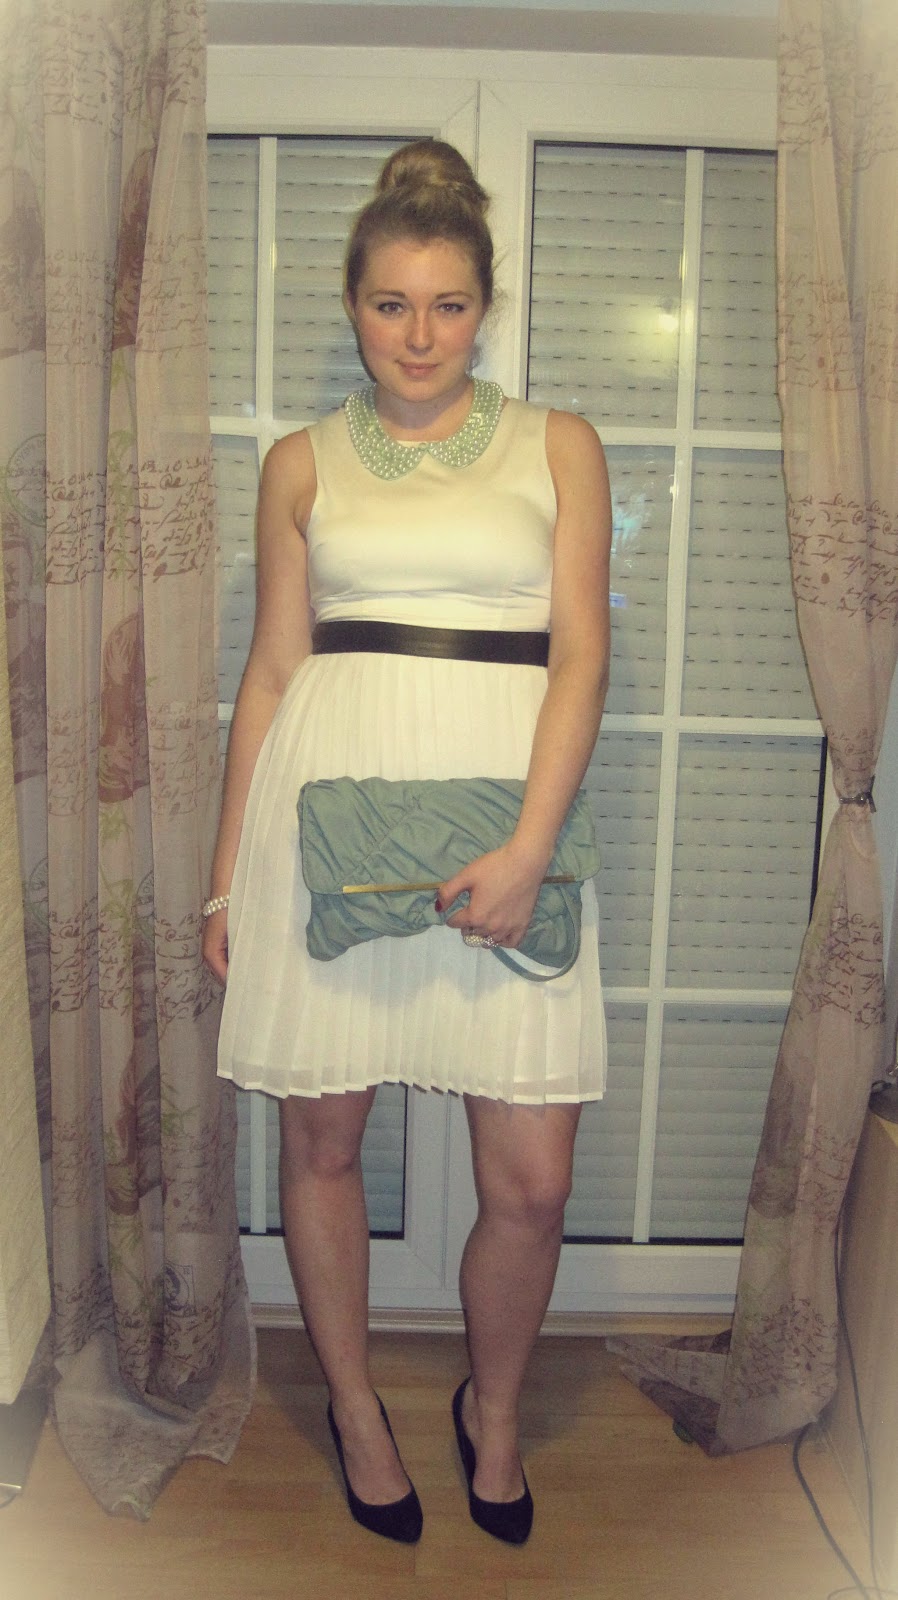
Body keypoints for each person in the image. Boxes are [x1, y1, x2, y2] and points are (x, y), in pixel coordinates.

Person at [203, 138, 611, 1547]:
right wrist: (224, 878)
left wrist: (531, 847)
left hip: (512, 833)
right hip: (326, 829)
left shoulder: (558, 444)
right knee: (322, 1142)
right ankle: (356, 1407)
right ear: (353, 306)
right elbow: (271, 672)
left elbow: (582, 657)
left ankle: (491, 1411)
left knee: (533, 1181)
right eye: (390, 305)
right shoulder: (299, 463)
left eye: (447, 305)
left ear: (484, 308)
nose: (419, 334)